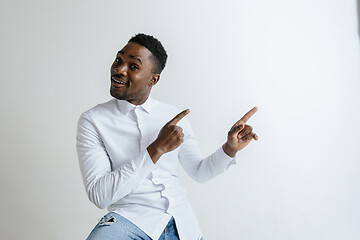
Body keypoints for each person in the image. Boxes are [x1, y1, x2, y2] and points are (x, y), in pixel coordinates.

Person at [76, 33, 258, 240]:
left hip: (182, 224)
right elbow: (100, 195)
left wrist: (230, 149)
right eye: (118, 60)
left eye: (133, 66)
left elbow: (199, 172)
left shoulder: (173, 117)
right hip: (129, 221)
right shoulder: (93, 121)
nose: (119, 69)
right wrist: (156, 149)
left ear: (153, 79)